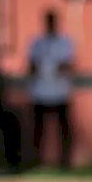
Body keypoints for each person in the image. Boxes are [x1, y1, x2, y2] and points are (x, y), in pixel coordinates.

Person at [28, 9, 74, 169]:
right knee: (39, 130)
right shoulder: (37, 43)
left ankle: (65, 162)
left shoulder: (64, 42)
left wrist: (50, 67)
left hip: (60, 91)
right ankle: (36, 162)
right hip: (40, 91)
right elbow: (31, 65)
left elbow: (68, 64)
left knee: (64, 129)